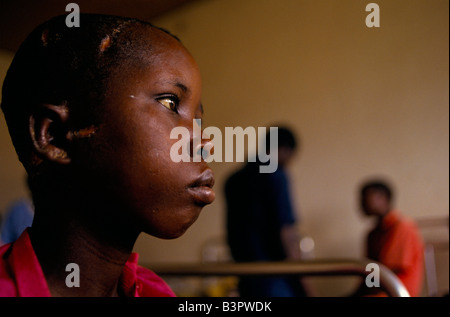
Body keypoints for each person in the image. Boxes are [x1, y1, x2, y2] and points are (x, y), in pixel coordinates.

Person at [0, 13, 215, 297]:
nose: (204, 143)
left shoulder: (156, 292)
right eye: (169, 103)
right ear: (54, 136)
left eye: (198, 120)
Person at [225, 126, 308, 297]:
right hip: (275, 272)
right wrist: (304, 280)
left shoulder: (234, 179)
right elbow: (286, 230)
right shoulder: (276, 175)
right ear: (285, 150)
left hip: (245, 272)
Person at [353, 179, 425, 297]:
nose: (361, 203)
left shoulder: (402, 227)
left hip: (393, 293)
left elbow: (386, 274)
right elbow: (369, 276)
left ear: (383, 198)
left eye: (365, 197)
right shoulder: (373, 234)